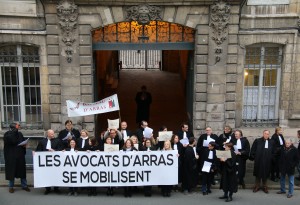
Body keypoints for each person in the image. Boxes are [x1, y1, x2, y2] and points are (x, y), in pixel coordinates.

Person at [3, 122, 30, 193]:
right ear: (14, 127)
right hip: (11, 156)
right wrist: (14, 131)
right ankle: (11, 186)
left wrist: (25, 144)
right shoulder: (7, 134)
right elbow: (13, 140)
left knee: (22, 171)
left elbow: (23, 141)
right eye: (18, 125)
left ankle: (24, 185)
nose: (19, 126)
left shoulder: (20, 134)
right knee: (12, 171)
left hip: (20, 155)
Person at [36, 129, 63, 195]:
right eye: (51, 134)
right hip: (46, 162)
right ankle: (47, 189)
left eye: (53, 133)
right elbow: (38, 151)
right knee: (46, 175)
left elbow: (61, 149)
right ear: (47, 134)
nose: (53, 135)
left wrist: (54, 150)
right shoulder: (42, 141)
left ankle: (56, 188)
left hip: (55, 162)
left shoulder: (58, 141)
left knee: (56, 174)